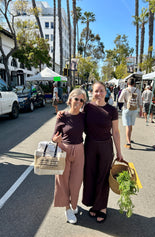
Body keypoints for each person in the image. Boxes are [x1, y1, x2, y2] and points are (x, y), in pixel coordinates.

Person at [82, 81, 123, 223]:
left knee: (103, 177)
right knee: (89, 175)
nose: (98, 93)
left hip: (106, 146)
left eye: (101, 91)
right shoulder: (87, 108)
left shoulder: (112, 110)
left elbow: (116, 132)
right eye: (96, 91)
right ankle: (93, 204)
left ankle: (102, 207)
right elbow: (75, 118)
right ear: (91, 93)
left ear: (106, 92)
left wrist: (119, 152)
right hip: (89, 146)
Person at [52, 88, 87, 224]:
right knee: (63, 181)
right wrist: (55, 140)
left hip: (79, 150)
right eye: (76, 98)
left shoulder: (84, 116)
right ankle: (67, 208)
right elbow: (54, 136)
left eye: (81, 100)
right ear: (70, 99)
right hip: (63, 150)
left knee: (76, 182)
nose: (78, 102)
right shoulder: (62, 116)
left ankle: (73, 204)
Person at [118, 77, 142, 149]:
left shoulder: (125, 90)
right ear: (134, 83)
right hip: (134, 109)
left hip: (126, 108)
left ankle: (128, 142)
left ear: (127, 83)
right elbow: (140, 101)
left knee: (127, 125)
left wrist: (126, 100)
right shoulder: (137, 90)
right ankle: (129, 138)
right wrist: (141, 110)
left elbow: (119, 100)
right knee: (130, 125)